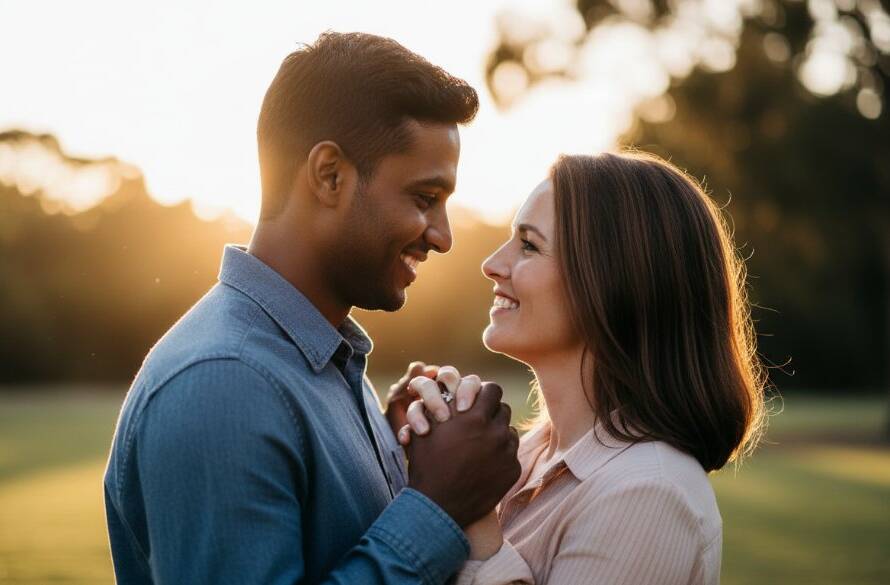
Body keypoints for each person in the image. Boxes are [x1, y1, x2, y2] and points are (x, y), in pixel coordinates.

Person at [103, 31, 520, 585]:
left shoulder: (323, 364)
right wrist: (437, 507)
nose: (442, 237)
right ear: (329, 175)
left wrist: (402, 462)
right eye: (425, 199)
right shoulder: (225, 382)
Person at [398, 151, 767, 584]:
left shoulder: (647, 493)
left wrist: (474, 514)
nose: (492, 264)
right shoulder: (528, 455)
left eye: (529, 245)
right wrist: (407, 441)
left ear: (613, 280)